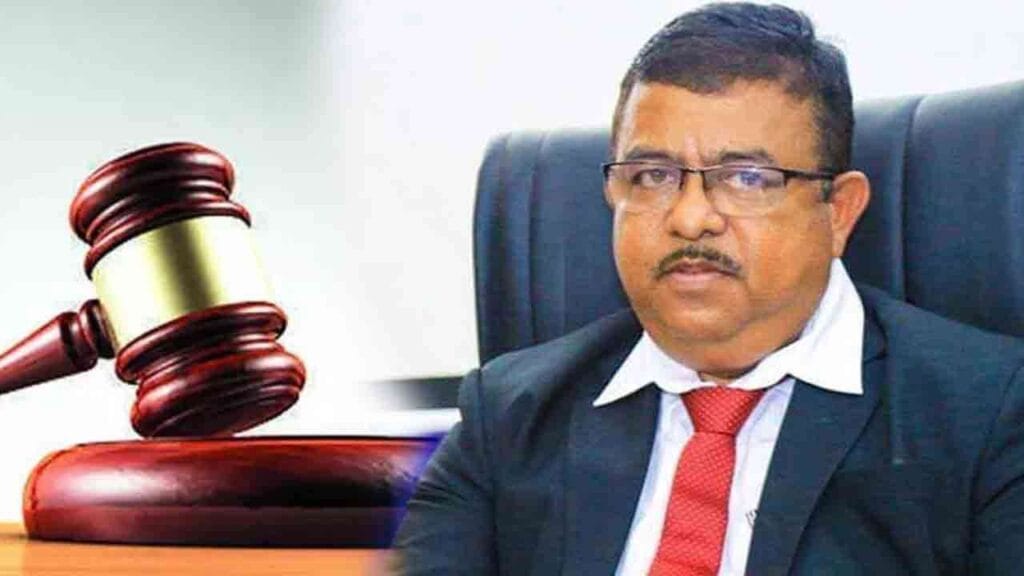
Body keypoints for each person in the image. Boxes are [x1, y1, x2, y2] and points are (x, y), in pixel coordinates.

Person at [393, 3, 1024, 575]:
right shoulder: (508, 417)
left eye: (746, 177)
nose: (691, 217)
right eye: (652, 176)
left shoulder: (990, 417)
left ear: (838, 211)